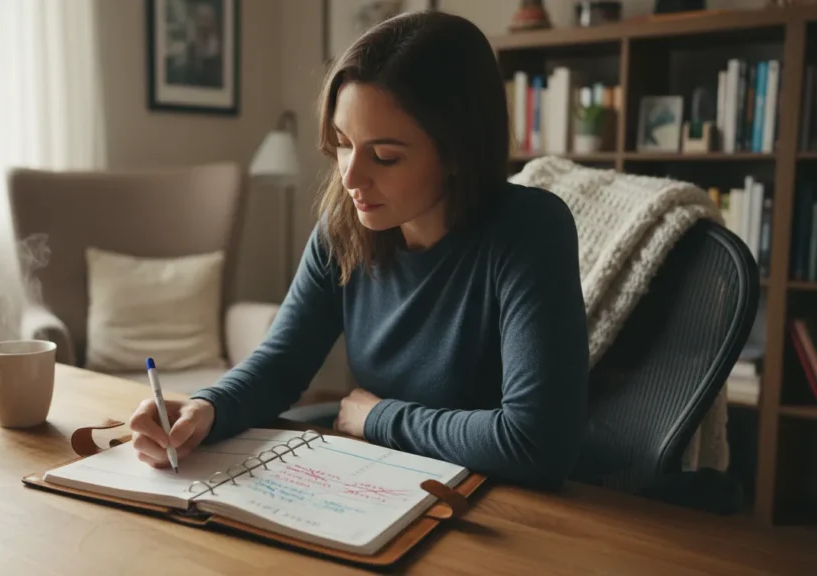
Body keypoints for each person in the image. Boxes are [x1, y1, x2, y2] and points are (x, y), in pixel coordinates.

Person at [128, 11, 589, 489]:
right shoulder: (344, 227)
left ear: (458, 151)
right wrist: (206, 407)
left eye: (384, 156)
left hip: (493, 498)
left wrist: (379, 418)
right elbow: (282, 363)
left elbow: (537, 443)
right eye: (343, 144)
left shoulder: (530, 230)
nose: (350, 178)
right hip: (382, 480)